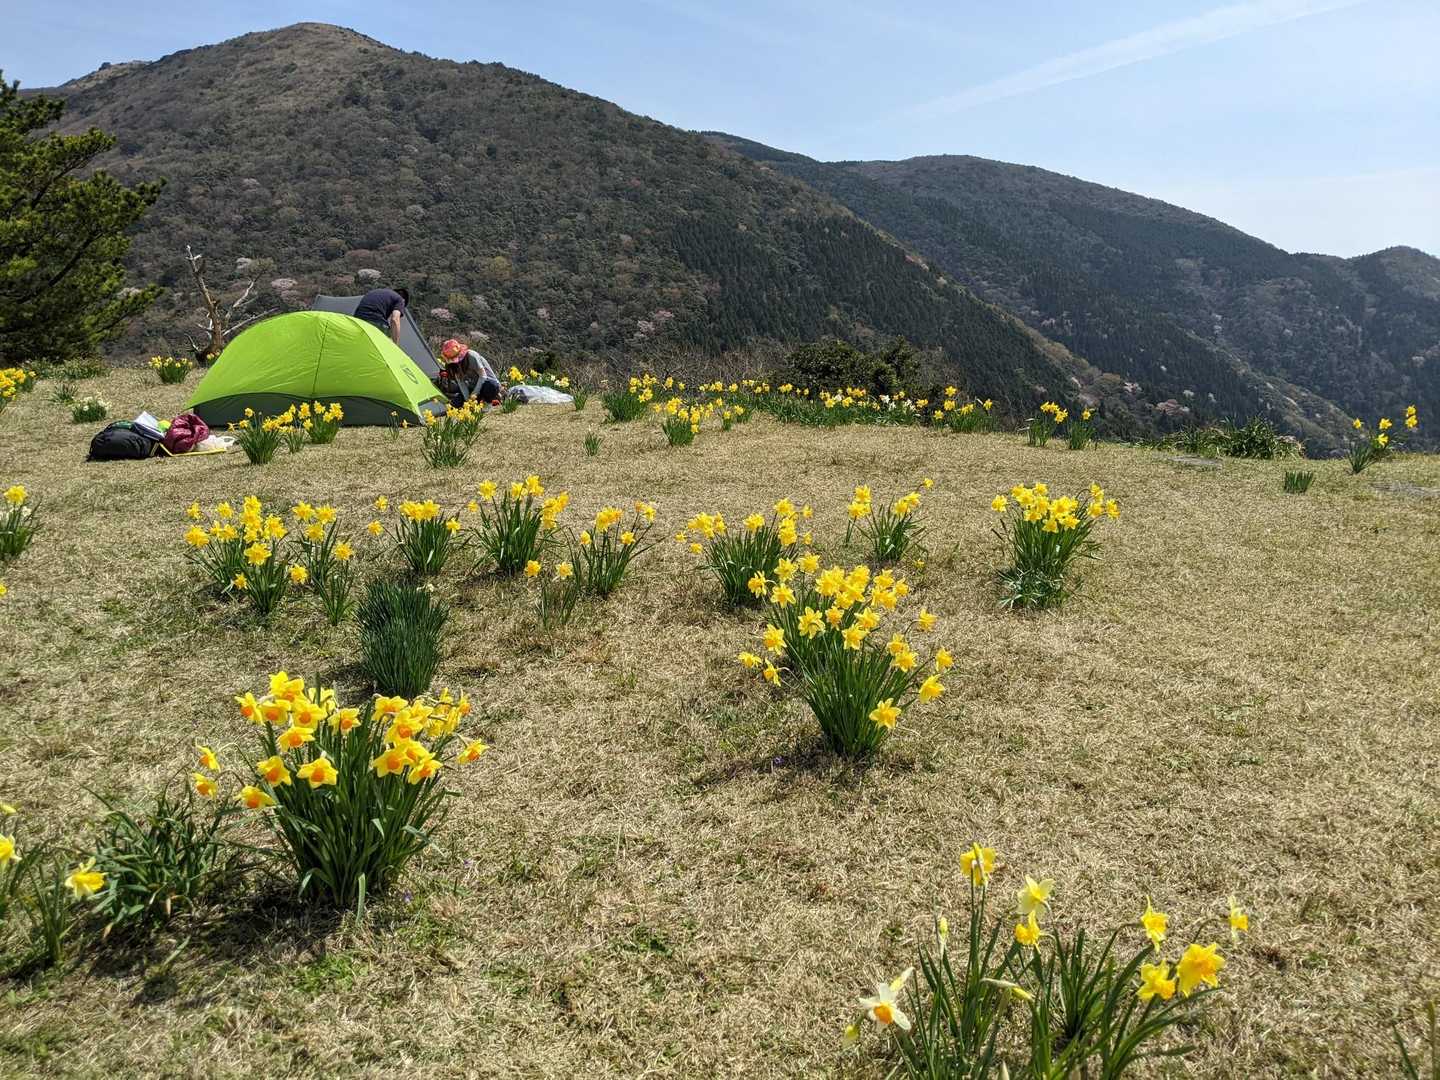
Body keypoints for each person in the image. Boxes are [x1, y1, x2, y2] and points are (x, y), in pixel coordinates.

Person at [435, 338, 502, 406]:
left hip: (486, 383)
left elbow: (483, 376)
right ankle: (478, 402)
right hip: (473, 387)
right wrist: (468, 400)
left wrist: (474, 394)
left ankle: (489, 401)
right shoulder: (453, 366)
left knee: (491, 386)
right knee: (456, 402)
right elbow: (461, 383)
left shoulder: (472, 356)